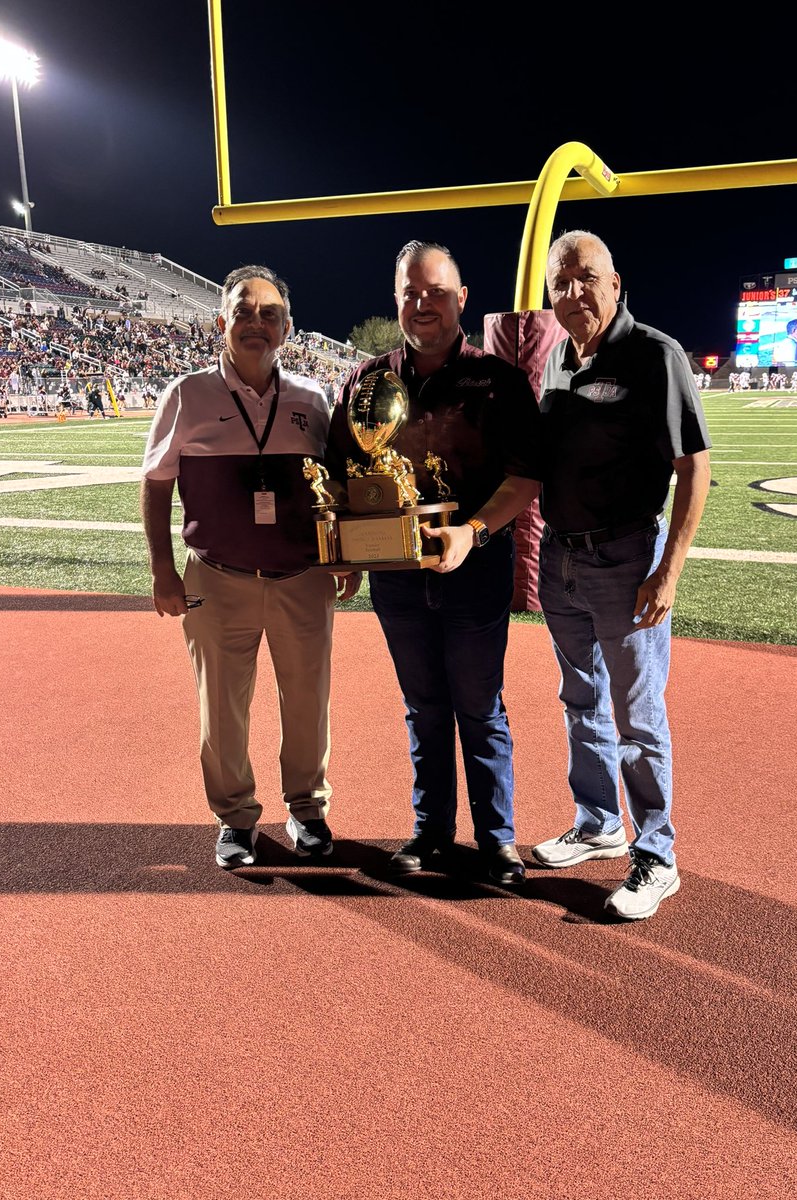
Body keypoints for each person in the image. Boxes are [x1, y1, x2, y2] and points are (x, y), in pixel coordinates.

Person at [328, 240, 541, 886]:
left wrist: (472, 532)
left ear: (462, 299)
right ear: (396, 298)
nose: (423, 305)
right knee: (423, 707)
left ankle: (497, 840)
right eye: (411, 293)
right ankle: (431, 832)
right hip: (395, 578)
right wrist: (346, 547)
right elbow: (341, 474)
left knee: (478, 706)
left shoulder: (498, 380)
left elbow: (527, 477)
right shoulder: (368, 381)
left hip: (473, 573)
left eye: (436, 292)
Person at [141, 264, 359, 869]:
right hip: (217, 574)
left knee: (308, 700)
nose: (255, 323)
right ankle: (235, 817)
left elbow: (336, 485)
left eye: (269, 313)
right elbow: (157, 485)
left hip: (302, 576)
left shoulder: (313, 399)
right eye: (243, 311)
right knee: (221, 709)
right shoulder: (186, 394)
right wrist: (163, 569)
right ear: (221, 322)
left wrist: (344, 553)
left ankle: (308, 808)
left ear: (287, 328)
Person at [531, 231, 711, 921]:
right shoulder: (554, 360)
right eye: (560, 282)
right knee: (580, 700)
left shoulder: (654, 355)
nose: (572, 293)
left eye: (585, 278)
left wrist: (668, 572)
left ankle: (657, 855)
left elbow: (694, 467)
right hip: (562, 557)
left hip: (627, 556)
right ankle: (598, 821)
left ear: (614, 282)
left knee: (637, 714)